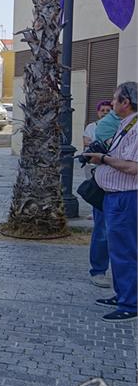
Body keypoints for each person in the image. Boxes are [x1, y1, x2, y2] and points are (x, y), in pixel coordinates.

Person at [84, 81, 138, 323]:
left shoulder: (136, 129)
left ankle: (131, 303)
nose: (112, 103)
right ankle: (123, 294)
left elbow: (133, 167)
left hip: (126, 197)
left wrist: (104, 159)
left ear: (126, 103)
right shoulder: (126, 125)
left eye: (115, 100)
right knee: (118, 250)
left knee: (125, 251)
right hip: (115, 197)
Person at [84, 100, 116, 287]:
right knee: (102, 230)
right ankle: (98, 270)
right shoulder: (102, 126)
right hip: (106, 185)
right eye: (103, 109)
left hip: (126, 189)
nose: (106, 111)